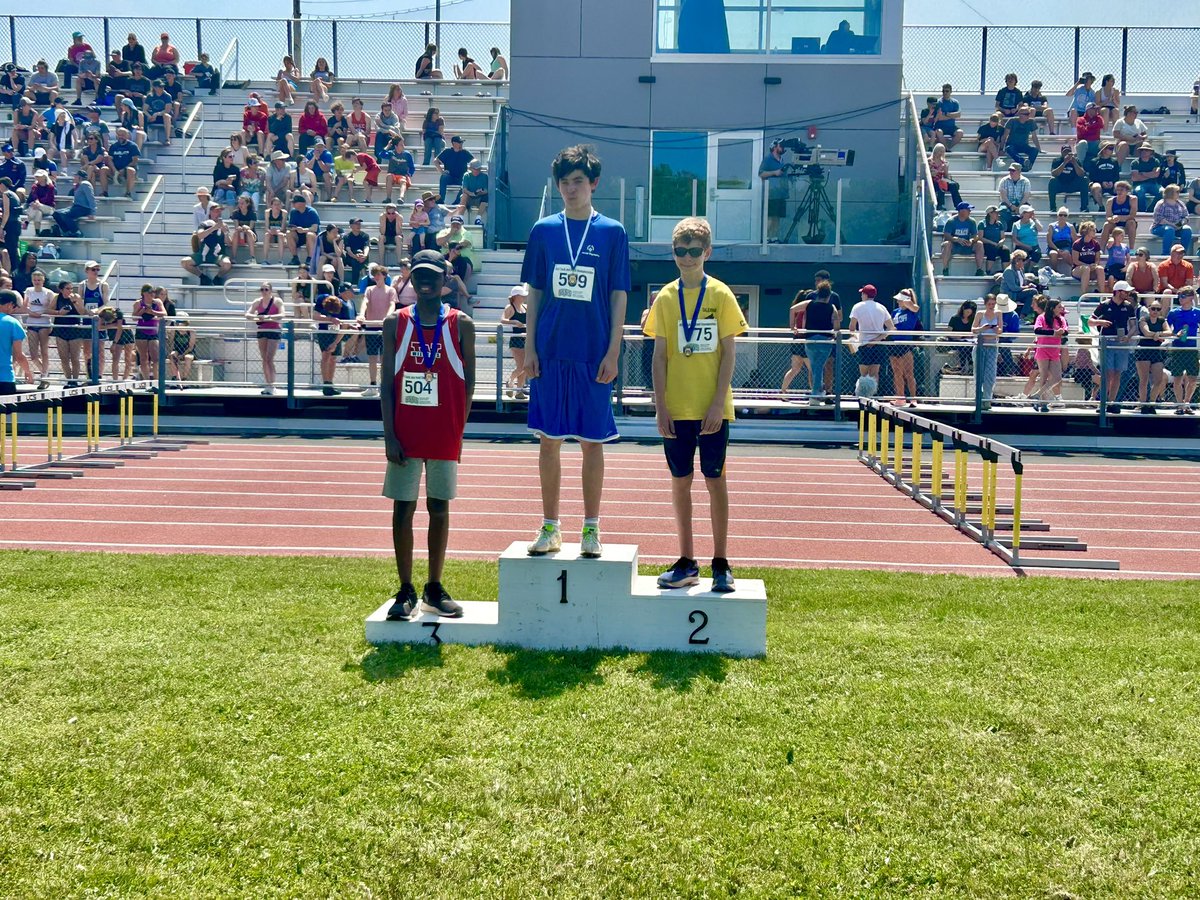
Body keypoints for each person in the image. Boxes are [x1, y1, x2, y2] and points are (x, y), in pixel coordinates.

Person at [521, 145, 630, 558]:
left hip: (592, 352)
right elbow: (535, 291)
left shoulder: (612, 232)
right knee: (548, 440)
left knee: (591, 442)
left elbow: (619, 295)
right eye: (564, 182)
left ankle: (591, 529)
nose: (570, 189)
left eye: (578, 182)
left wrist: (613, 351)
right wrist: (530, 347)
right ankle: (550, 527)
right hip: (550, 351)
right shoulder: (544, 230)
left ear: (593, 184)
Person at [644, 216, 746, 592]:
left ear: (707, 252)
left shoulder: (720, 294)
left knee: (715, 480)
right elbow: (658, 357)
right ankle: (687, 561)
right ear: (673, 253)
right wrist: (660, 406)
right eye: (679, 251)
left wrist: (718, 402)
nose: (686, 258)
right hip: (676, 408)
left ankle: (721, 562)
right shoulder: (666, 298)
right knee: (680, 483)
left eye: (693, 251)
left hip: (712, 409)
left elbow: (728, 352)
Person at [380, 249, 474, 621]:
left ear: (446, 278)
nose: (425, 281)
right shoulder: (396, 323)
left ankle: (434, 586)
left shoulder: (461, 323)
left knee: (439, 508)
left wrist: (458, 432)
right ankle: (405, 589)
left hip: (443, 433)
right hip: (406, 432)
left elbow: (468, 386)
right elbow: (386, 383)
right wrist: (389, 435)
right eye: (418, 275)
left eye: (432, 275)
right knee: (404, 509)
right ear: (411, 279)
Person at [1091, 281, 1137, 414]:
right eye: (1125, 291)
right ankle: (1103, 402)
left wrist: (1128, 336)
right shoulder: (1104, 305)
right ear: (1118, 291)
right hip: (1107, 342)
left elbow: (1134, 325)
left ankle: (1112, 402)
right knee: (1107, 374)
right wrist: (1101, 322)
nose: (1128, 294)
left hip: (1122, 343)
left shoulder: (1128, 306)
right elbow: (1090, 321)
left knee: (1117, 374)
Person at [359, 265, 397, 398]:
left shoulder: (391, 290)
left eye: (379, 274)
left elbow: (392, 304)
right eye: (375, 274)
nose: (376, 277)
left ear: (384, 275)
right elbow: (365, 302)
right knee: (372, 357)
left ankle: (384, 386)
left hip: (384, 327)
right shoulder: (369, 289)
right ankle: (373, 384)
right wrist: (361, 315)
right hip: (371, 327)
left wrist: (387, 317)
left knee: (384, 358)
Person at [849, 284, 893, 395]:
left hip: (864, 344)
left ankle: (862, 396)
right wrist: (877, 339)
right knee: (875, 373)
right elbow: (891, 327)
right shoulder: (881, 307)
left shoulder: (857, 307)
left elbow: (852, 328)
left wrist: (856, 337)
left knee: (863, 374)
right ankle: (873, 396)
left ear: (864, 294)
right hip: (878, 344)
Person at [246, 282, 284, 395]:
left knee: (269, 358)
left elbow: (282, 314)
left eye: (266, 289)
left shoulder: (277, 301)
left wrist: (268, 317)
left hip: (274, 330)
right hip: (262, 330)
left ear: (271, 291)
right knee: (264, 359)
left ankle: (272, 385)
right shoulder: (257, 301)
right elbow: (247, 314)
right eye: (262, 289)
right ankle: (268, 384)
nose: (264, 292)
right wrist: (257, 317)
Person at [1031, 298, 1069, 411]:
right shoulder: (1041, 317)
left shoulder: (1061, 319)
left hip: (1054, 351)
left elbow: (1066, 331)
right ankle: (1043, 403)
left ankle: (1037, 395)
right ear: (1052, 308)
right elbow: (1037, 330)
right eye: (1059, 307)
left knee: (1057, 377)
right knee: (1044, 376)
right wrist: (1053, 332)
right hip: (1043, 349)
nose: (1061, 309)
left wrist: (1061, 332)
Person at [1135, 299, 1172, 414]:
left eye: (1158, 309)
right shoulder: (1143, 319)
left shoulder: (1161, 320)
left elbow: (1169, 332)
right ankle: (1143, 404)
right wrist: (1156, 335)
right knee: (1144, 380)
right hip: (1144, 351)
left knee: (1158, 380)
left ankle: (1151, 403)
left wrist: (1157, 334)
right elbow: (1146, 332)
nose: (1155, 311)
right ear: (1149, 309)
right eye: (1153, 308)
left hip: (1156, 351)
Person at [1167, 287, 1200, 414]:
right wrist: (1175, 334)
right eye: (1179, 296)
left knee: (1192, 378)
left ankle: (1187, 403)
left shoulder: (1197, 312)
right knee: (1177, 378)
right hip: (1177, 348)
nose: (1180, 299)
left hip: (1191, 348)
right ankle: (1180, 405)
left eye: (1183, 296)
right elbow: (1167, 330)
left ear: (1191, 297)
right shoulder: (1173, 312)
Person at [48, 280, 88, 386]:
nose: (70, 291)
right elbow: (48, 310)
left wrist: (75, 302)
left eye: (71, 288)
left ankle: (75, 380)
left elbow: (82, 312)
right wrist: (59, 312)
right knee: (64, 357)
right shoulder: (57, 298)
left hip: (75, 329)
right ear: (61, 290)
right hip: (61, 329)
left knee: (75, 357)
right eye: (67, 288)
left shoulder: (76, 297)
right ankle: (69, 379)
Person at [21, 268, 52, 385]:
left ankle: (44, 376)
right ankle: (44, 371)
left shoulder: (48, 292)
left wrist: (42, 313)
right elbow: (25, 306)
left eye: (39, 280)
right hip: (32, 322)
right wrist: (32, 313)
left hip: (44, 323)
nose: (37, 282)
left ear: (43, 280)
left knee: (44, 351)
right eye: (35, 280)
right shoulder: (29, 291)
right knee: (33, 354)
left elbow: (51, 308)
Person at [972, 294, 1003, 405]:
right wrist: (983, 328)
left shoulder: (998, 313)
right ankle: (979, 398)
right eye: (989, 304)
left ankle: (987, 399)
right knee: (978, 373)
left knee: (990, 374)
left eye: (993, 304)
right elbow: (974, 329)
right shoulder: (980, 314)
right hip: (980, 345)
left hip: (992, 346)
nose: (991, 306)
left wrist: (995, 328)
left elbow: (1000, 331)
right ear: (985, 304)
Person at [0, 289, 33, 394]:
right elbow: (18, 355)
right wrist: (28, 372)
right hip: (4, 376)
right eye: (14, 307)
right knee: (7, 409)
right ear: (10, 304)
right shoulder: (12, 323)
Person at [940, 201, 985, 277]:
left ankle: (979, 269)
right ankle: (945, 268)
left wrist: (972, 240)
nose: (970, 211)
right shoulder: (951, 221)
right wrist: (956, 239)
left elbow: (975, 236)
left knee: (979, 244)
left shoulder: (972, 222)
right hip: (954, 246)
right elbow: (946, 235)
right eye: (968, 210)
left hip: (967, 245)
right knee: (947, 244)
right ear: (961, 211)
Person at [500, 284, 528, 398]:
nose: (524, 298)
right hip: (516, 339)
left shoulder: (525, 307)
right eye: (522, 296)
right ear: (516, 296)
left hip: (526, 339)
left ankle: (519, 390)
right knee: (521, 366)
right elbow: (502, 320)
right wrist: (515, 322)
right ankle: (510, 381)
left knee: (526, 367)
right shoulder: (510, 307)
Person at [758, 139, 788, 243]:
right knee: (770, 216)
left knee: (777, 217)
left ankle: (774, 237)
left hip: (781, 193)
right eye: (781, 146)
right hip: (771, 193)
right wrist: (774, 172)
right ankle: (765, 238)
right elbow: (761, 174)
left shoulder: (782, 160)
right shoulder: (768, 159)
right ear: (775, 147)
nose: (783, 148)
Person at [1151, 184, 1193, 257]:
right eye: (1177, 192)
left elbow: (1186, 217)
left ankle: (1182, 253)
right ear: (1170, 193)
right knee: (1169, 230)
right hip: (1159, 227)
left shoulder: (1180, 204)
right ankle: (1165, 253)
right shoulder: (1161, 204)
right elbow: (1158, 218)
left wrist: (1180, 224)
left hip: (1177, 227)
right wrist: (1171, 225)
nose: (1178, 193)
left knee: (1187, 230)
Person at [52, 170, 96, 238]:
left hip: (84, 208)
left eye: (75, 176)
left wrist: (92, 213)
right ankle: (67, 232)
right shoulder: (78, 185)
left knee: (66, 215)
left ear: (80, 177)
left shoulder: (85, 184)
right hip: (76, 207)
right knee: (56, 213)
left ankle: (77, 232)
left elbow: (91, 198)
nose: (74, 177)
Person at [1048, 144, 1090, 211]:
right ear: (1061, 153)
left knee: (1084, 180)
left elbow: (1082, 174)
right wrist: (1064, 163)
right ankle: (1053, 207)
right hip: (1061, 185)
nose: (1067, 154)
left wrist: (1075, 163)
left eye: (1068, 152)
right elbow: (1054, 174)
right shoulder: (1057, 161)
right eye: (1065, 152)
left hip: (1073, 185)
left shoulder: (1076, 160)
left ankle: (1084, 207)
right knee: (1052, 181)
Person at [1099, 180, 1138, 248]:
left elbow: (1132, 215)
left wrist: (1120, 217)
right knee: (1106, 224)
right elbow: (1108, 216)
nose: (1119, 192)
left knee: (1132, 223)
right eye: (1118, 190)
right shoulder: (1110, 201)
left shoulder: (1132, 199)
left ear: (1127, 191)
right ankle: (1101, 249)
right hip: (1115, 224)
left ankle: (1132, 249)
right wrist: (1112, 219)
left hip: (1127, 224)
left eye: (1122, 190)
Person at [435, 135, 472, 205]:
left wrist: (470, 171)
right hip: (450, 177)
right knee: (443, 177)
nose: (461, 144)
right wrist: (442, 171)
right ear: (454, 143)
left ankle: (457, 201)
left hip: (461, 177)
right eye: (459, 142)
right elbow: (436, 161)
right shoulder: (447, 152)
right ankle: (441, 199)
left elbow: (474, 162)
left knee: (467, 180)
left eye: (461, 143)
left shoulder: (465, 152)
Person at [1071, 220, 1104, 298]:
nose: (1094, 231)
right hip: (1078, 269)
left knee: (1100, 269)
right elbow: (1075, 260)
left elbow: (1097, 259)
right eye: (1092, 230)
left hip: (1091, 268)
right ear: (1086, 231)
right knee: (1086, 268)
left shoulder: (1096, 244)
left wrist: (1095, 265)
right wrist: (1088, 265)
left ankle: (1102, 295)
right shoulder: (1077, 244)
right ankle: (1084, 295)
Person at [1001, 106, 1039, 172]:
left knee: (1035, 150)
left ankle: (1028, 166)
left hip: (1024, 145)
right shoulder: (1012, 121)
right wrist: (1001, 149)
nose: (1028, 115)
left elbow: (1034, 136)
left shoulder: (1031, 122)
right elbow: (1005, 136)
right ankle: (1023, 162)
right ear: (1020, 115)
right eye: (1026, 114)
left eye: (1029, 113)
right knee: (1009, 148)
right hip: (1012, 144)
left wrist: (1039, 148)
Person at [286, 193, 320, 266]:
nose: (293, 204)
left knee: (309, 235)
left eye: (295, 203)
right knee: (289, 233)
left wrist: (303, 230)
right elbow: (290, 226)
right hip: (299, 236)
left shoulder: (312, 212)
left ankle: (310, 258)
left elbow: (315, 228)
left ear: (301, 203)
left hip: (311, 236)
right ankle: (295, 258)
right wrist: (293, 228)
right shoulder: (293, 212)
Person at [1001, 250, 1038, 316]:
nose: (1025, 262)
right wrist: (1027, 287)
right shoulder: (1009, 271)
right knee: (1033, 292)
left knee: (1032, 297)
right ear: (1017, 260)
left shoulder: (1021, 270)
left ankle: (1024, 315)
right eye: (1023, 260)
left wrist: (1029, 285)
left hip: (1018, 293)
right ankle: (1026, 315)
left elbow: (1022, 284)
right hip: (1011, 294)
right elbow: (1013, 288)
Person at [945, 299, 977, 373]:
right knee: (964, 346)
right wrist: (958, 336)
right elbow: (948, 332)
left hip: (968, 341)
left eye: (970, 313)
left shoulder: (973, 319)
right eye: (967, 312)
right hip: (955, 341)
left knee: (967, 346)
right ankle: (967, 365)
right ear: (963, 309)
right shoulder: (954, 318)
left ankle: (963, 366)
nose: (968, 314)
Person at [997, 162, 1031, 230]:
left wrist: (1019, 207)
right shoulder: (1004, 180)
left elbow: (1026, 196)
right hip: (1007, 203)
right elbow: (1003, 196)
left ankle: (1024, 230)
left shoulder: (1026, 181)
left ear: (1019, 171)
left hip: (1022, 203)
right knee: (1002, 210)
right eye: (1010, 170)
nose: (1011, 172)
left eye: (1013, 170)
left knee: (1028, 211)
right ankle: (1005, 230)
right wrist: (1010, 205)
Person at [929, 143, 962, 210]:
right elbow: (930, 174)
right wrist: (937, 171)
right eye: (940, 151)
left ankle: (959, 205)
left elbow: (946, 176)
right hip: (932, 181)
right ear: (935, 150)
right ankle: (940, 205)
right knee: (939, 186)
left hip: (941, 181)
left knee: (953, 185)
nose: (941, 153)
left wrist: (946, 170)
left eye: (942, 151)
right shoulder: (930, 161)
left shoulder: (944, 162)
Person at [1130, 143, 1162, 209]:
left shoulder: (1155, 161)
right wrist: (1151, 174)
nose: (1144, 152)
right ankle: (1142, 212)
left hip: (1153, 184)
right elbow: (1135, 178)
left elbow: (1156, 174)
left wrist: (1142, 173)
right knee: (1139, 192)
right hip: (1138, 184)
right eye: (1142, 150)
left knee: (1163, 192)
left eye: (1146, 150)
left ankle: (1151, 209)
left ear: (1151, 152)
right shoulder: (1135, 162)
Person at [1046, 208, 1077, 275]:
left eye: (1065, 215)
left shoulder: (1070, 227)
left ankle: (1074, 268)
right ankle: (1054, 272)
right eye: (1060, 215)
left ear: (1067, 217)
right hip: (1054, 246)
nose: (1062, 217)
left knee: (1065, 253)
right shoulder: (1051, 226)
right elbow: (1049, 240)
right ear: (1057, 216)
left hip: (1066, 246)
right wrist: (1057, 249)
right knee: (1053, 254)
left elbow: (1075, 240)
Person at [932, 84, 962, 149]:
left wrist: (946, 114)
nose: (945, 93)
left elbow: (958, 114)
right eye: (943, 91)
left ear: (951, 91)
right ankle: (945, 148)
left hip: (951, 127)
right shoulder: (939, 102)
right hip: (940, 126)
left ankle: (948, 147)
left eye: (947, 91)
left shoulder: (955, 102)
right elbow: (939, 118)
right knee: (939, 132)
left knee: (960, 133)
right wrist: (952, 115)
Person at [460, 159, 489, 228]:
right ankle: (460, 217)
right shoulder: (466, 175)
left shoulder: (484, 176)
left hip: (479, 198)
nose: (477, 171)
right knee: (464, 196)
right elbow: (464, 189)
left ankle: (478, 219)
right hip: (469, 197)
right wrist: (471, 193)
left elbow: (486, 190)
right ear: (470, 168)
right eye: (475, 169)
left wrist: (481, 192)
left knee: (486, 197)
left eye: (478, 169)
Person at [1104, 227, 1131, 291]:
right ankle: (1111, 293)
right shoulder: (1111, 245)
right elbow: (1109, 243)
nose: (1123, 237)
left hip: (1121, 267)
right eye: (1121, 235)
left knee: (1127, 278)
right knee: (1111, 278)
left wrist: (1126, 267)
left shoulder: (1125, 246)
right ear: (1116, 236)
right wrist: (1112, 238)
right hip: (1111, 267)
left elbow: (1128, 258)